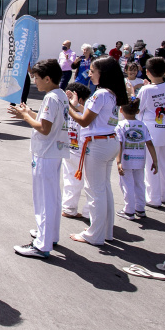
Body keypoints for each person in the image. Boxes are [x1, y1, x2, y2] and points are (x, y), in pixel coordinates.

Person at [8, 59, 68, 259]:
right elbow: (46, 120)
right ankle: (49, 234)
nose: (34, 81)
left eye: (36, 78)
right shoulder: (60, 95)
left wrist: (25, 117)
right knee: (52, 197)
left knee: (44, 199)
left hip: (45, 153)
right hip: (54, 152)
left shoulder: (51, 98)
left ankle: (42, 244)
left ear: (48, 79)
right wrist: (28, 113)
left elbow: (44, 128)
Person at [65, 56, 126, 246]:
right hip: (109, 142)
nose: (89, 74)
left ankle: (95, 234)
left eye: (92, 71)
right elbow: (92, 114)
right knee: (104, 188)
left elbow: (84, 120)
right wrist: (75, 105)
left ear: (103, 73)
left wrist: (68, 107)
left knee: (94, 191)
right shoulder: (112, 93)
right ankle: (104, 230)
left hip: (97, 146)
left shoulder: (100, 94)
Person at [137, 57, 165, 207]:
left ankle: (153, 198)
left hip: (151, 132)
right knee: (164, 162)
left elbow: (137, 108)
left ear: (147, 72)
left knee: (151, 165)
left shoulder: (146, 90)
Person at [115, 98, 158, 220]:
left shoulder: (120, 125)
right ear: (138, 111)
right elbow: (149, 143)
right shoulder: (142, 125)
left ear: (121, 110)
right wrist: (155, 160)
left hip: (126, 161)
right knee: (139, 184)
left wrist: (118, 162)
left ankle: (129, 210)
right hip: (140, 160)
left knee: (127, 185)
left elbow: (119, 144)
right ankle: (140, 208)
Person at [61, 82, 90, 220]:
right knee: (89, 183)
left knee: (70, 180)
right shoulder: (84, 115)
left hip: (69, 150)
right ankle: (89, 212)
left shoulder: (66, 112)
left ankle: (69, 208)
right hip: (82, 154)